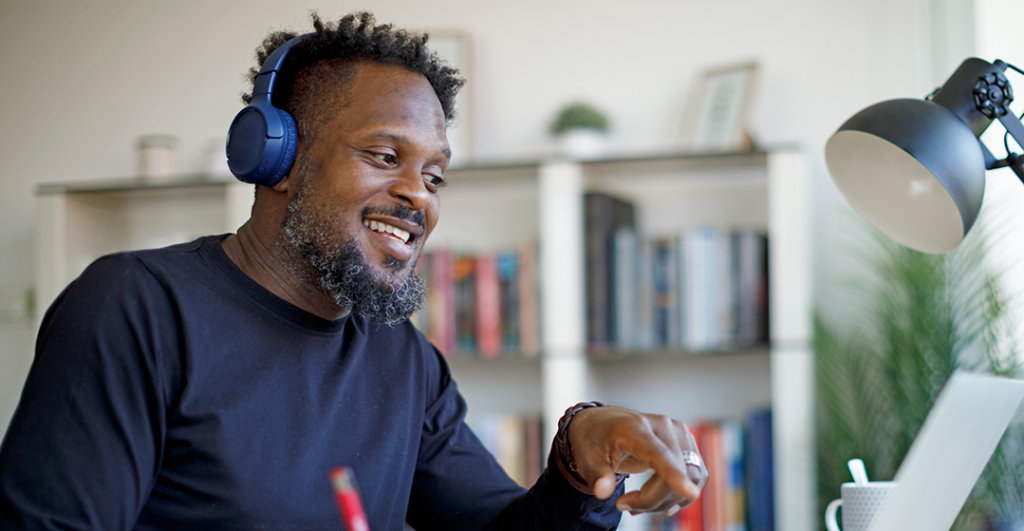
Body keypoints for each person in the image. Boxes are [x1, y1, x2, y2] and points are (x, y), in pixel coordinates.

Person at [0, 12, 707, 530]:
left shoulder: (405, 362)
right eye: (384, 156)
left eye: (435, 175)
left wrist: (578, 466)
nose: (418, 196)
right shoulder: (135, 310)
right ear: (278, 159)